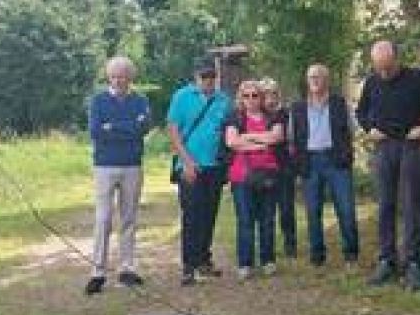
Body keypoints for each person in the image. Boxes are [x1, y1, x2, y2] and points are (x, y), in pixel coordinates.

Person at [356, 40, 420, 290]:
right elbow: (360, 112)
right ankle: (386, 260)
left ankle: (414, 263)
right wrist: (369, 129)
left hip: (409, 147)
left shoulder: (416, 78)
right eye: (378, 68)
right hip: (383, 148)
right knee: (385, 205)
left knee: (411, 205)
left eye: (387, 68)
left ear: (397, 59)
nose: (383, 73)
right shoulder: (372, 82)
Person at [85, 56, 151, 295]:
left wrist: (112, 127)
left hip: (132, 165)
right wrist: (128, 127)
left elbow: (143, 129)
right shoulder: (98, 101)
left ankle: (127, 268)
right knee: (103, 218)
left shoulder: (140, 101)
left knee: (129, 218)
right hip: (104, 165)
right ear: (108, 77)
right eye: (113, 76)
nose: (117, 80)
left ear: (130, 77)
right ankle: (97, 271)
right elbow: (95, 131)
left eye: (122, 76)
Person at [167, 57, 233, 286]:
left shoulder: (223, 100)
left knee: (209, 214)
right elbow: (173, 130)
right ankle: (188, 266)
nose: (208, 81)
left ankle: (204, 259)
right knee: (192, 215)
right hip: (189, 165)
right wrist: (186, 162)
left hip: (214, 166)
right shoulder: (182, 96)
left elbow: (228, 130)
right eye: (203, 77)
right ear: (195, 77)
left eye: (211, 76)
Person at [289, 63, 360, 266]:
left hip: (336, 161)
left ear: (327, 80)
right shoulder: (298, 108)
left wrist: (346, 155)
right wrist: (298, 164)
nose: (314, 80)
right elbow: (292, 138)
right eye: (311, 77)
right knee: (313, 211)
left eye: (318, 77)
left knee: (346, 209)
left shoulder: (340, 104)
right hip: (310, 161)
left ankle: (351, 255)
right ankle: (317, 256)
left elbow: (351, 131)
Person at [225, 80, 284, 280]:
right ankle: (245, 263)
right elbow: (232, 142)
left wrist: (247, 138)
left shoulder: (272, 116)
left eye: (254, 95)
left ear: (261, 97)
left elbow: (276, 138)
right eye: (246, 96)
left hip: (268, 174)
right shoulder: (235, 118)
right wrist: (260, 142)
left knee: (267, 220)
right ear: (240, 98)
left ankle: (268, 260)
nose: (250, 100)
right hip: (241, 177)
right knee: (245, 221)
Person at [259, 77, 298, 259]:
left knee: (286, 209)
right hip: (262, 168)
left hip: (284, 167)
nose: (270, 97)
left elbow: (288, 139)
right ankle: (268, 247)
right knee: (266, 210)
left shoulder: (286, 113)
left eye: (273, 93)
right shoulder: (257, 114)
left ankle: (290, 244)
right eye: (266, 94)